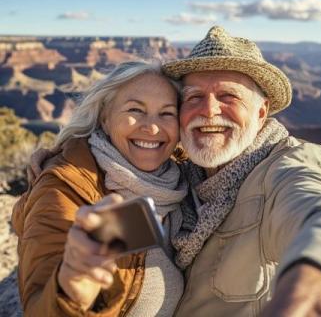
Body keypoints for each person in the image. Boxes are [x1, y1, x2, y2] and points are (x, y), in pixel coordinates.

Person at [162, 26, 321, 316]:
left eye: (228, 96)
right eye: (193, 97)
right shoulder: (175, 178)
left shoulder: (284, 167)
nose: (209, 109)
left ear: (261, 112)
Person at [12, 61, 189, 316]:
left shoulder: (179, 177)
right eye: (135, 110)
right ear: (104, 118)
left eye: (167, 113)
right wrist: (72, 286)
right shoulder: (63, 189)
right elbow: (39, 302)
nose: (152, 127)